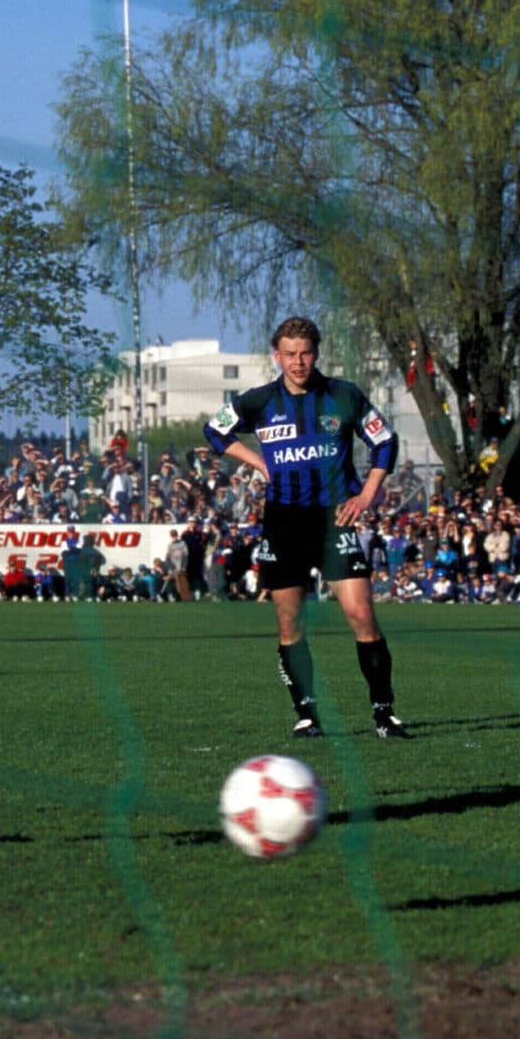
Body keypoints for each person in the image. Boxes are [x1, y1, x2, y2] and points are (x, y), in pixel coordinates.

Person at [205, 315, 407, 739]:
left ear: (317, 354)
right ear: (277, 356)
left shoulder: (344, 395)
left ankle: (384, 713)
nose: (298, 362)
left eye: (306, 353)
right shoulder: (259, 401)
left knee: (361, 614)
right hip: (284, 522)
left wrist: (367, 494)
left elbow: (385, 440)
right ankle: (308, 715)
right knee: (289, 623)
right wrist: (259, 462)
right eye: (290, 354)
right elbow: (215, 430)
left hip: (336, 519)